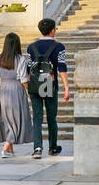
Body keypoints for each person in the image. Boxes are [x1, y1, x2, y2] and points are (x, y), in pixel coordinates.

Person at [25, 18, 70, 158]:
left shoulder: (31, 47)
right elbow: (62, 67)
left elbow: (28, 68)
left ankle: (37, 148)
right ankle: (53, 147)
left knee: (37, 117)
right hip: (50, 83)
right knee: (52, 117)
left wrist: (27, 85)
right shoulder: (59, 47)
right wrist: (67, 87)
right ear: (52, 31)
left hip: (35, 83)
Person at [0, 32, 32, 158]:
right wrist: (29, 90)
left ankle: (10, 151)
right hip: (16, 89)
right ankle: (6, 147)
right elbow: (24, 80)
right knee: (17, 120)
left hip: (3, 91)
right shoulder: (20, 59)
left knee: (8, 120)